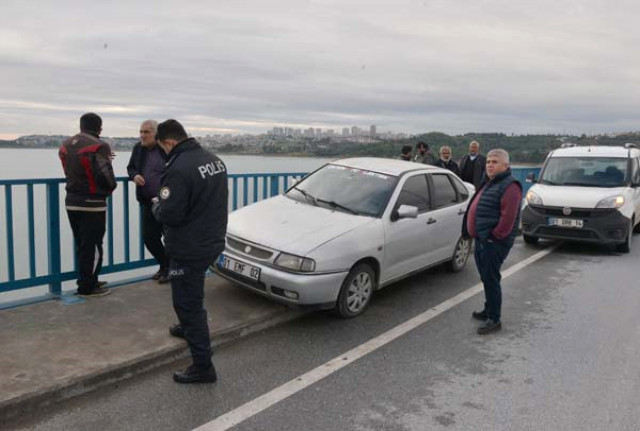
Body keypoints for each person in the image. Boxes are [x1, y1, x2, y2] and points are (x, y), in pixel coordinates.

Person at [152, 119, 228, 384]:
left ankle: (203, 366)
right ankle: (187, 328)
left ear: (169, 142)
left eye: (162, 148)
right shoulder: (214, 160)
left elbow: (170, 214)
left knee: (187, 302)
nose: (163, 153)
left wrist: (156, 207)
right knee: (190, 292)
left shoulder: (178, 169)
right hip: (212, 240)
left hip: (189, 247)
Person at [462, 149, 522, 335]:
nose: (489, 164)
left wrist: (492, 237)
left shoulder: (510, 186)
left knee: (491, 278)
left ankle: (494, 318)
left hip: (493, 242)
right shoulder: (489, 182)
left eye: (495, 162)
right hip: (482, 239)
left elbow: (508, 219)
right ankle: (488, 309)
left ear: (505, 165)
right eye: (488, 161)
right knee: (486, 277)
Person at [58, 113, 117, 297]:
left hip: (71, 202)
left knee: (83, 244)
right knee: (94, 245)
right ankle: (87, 286)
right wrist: (110, 184)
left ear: (81, 125)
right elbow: (106, 177)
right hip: (93, 204)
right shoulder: (99, 146)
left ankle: (87, 278)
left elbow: (74, 168)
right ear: (99, 128)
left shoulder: (66, 144)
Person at [127, 120, 170, 283]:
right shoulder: (138, 148)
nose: (142, 135)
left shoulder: (165, 149)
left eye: (146, 132)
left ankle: (171, 269)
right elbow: (131, 167)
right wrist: (134, 176)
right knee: (149, 237)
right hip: (147, 202)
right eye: (141, 132)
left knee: (170, 238)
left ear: (156, 134)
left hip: (167, 202)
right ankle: (165, 265)